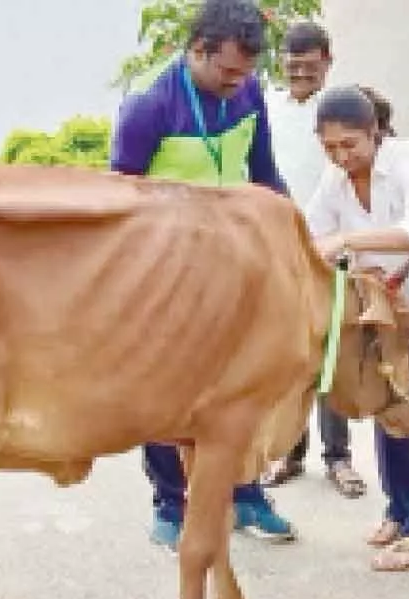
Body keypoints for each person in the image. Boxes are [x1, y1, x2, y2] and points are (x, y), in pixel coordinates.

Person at [109, 0, 296, 550]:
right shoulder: (148, 103)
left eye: (245, 74)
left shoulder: (247, 93)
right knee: (168, 393)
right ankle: (171, 502)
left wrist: (292, 235)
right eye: (227, 72)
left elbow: (263, 171)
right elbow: (119, 193)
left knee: (242, 387)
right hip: (165, 273)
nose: (237, 85)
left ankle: (246, 493)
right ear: (197, 50)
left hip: (235, 268)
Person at [305, 85, 409, 571]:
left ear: (375, 132)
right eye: (329, 147)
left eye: (350, 145)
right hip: (389, 307)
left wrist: (346, 240)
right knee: (389, 404)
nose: (340, 158)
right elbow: (312, 234)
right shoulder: (334, 179)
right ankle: (399, 511)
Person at [261, 21, 368, 499]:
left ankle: (339, 457)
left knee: (333, 351)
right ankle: (288, 450)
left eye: (310, 64)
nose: (300, 72)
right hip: (280, 249)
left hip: (331, 248)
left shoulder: (342, 111)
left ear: (327, 62)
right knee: (287, 354)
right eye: (293, 63)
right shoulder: (267, 107)